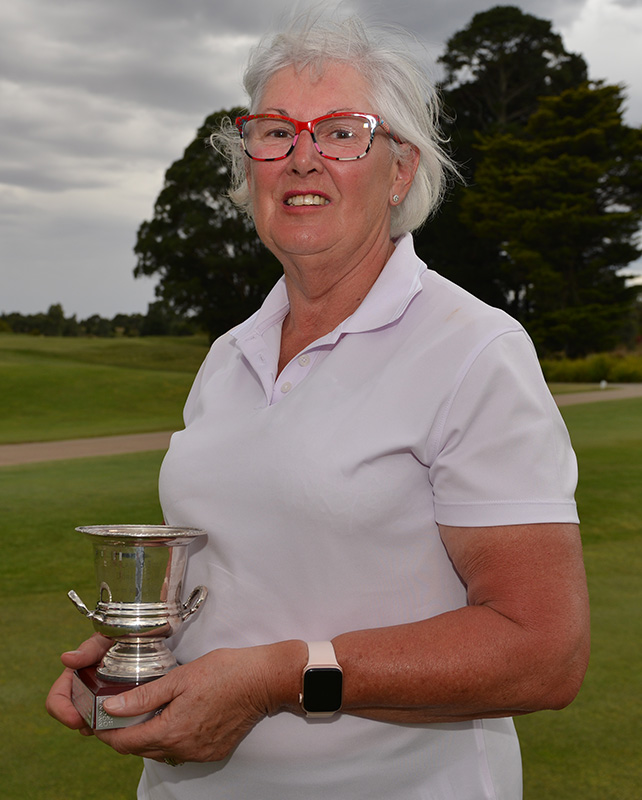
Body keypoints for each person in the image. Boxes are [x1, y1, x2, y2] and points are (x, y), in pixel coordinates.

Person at [47, 12, 590, 800]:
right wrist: (145, 653)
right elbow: (247, 578)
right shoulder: (229, 356)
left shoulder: (473, 350)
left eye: (341, 133)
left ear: (400, 170)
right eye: (275, 133)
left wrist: (278, 678)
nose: (303, 157)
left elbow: (544, 652)